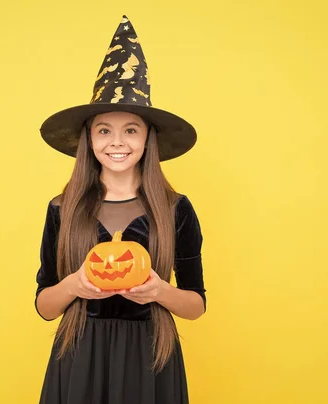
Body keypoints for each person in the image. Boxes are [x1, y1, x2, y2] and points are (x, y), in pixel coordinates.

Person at [34, 15, 206, 404]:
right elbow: (44, 306)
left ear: (148, 139)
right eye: (104, 130)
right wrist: (74, 286)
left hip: (150, 357)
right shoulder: (63, 208)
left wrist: (160, 292)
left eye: (131, 129)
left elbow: (196, 304)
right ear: (89, 140)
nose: (117, 142)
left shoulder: (175, 209)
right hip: (78, 354)